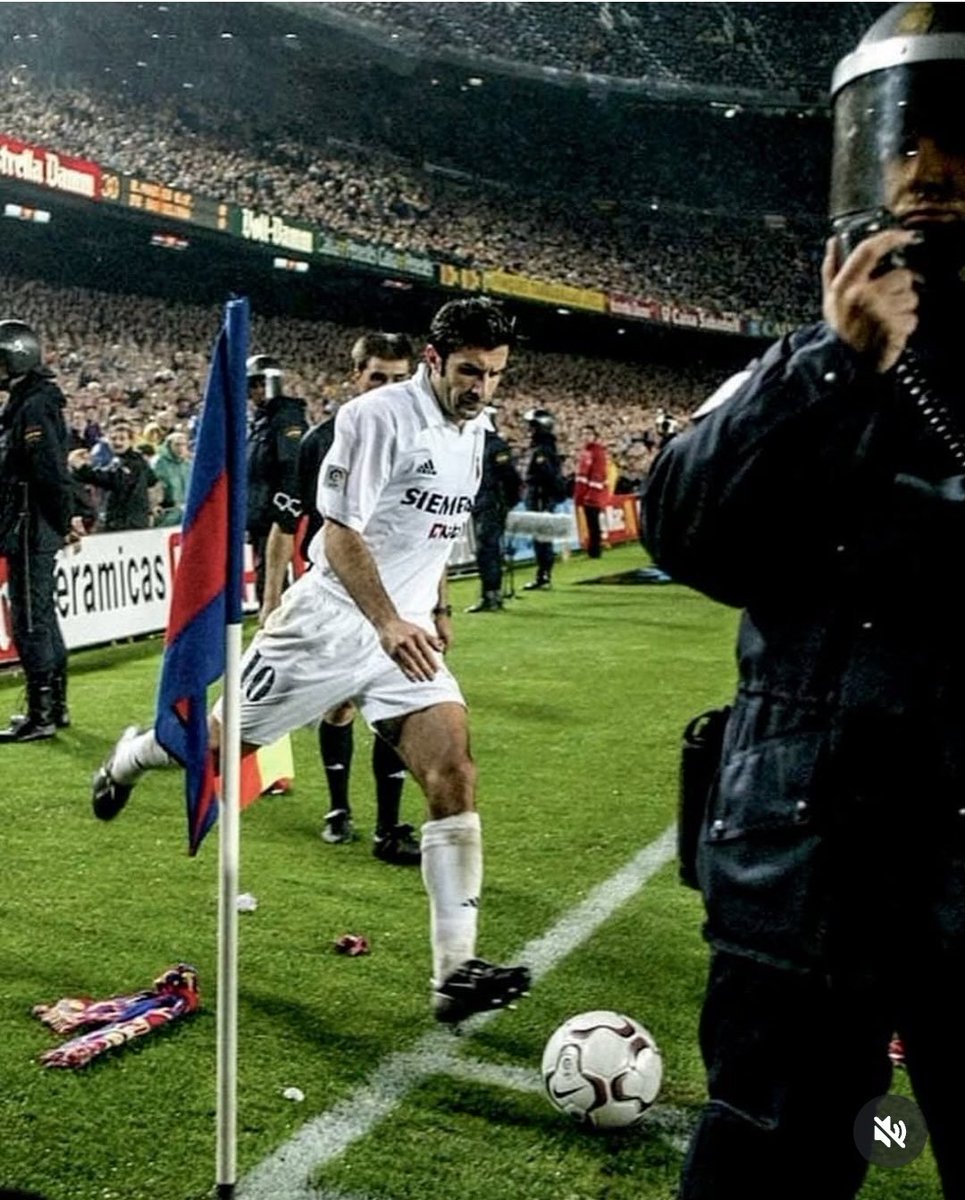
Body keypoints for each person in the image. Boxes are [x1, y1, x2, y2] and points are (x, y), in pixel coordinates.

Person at [641, 7, 965, 1198]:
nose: (919, 174)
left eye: (951, 143)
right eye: (899, 146)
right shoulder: (797, 366)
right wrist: (833, 369)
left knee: (912, 1135)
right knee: (776, 1157)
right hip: (807, 867)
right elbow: (680, 529)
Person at [91, 297, 531, 1024]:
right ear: (433, 361)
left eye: (493, 374)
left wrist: (430, 610)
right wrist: (385, 618)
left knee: (453, 771)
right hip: (330, 623)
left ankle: (454, 974)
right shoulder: (376, 418)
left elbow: (431, 533)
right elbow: (337, 535)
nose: (480, 387)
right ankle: (131, 757)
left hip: (405, 631)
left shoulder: (476, 426)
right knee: (216, 747)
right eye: (468, 372)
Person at [296, 331, 421, 864]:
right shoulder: (320, 441)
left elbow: (430, 532)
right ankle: (339, 808)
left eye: (400, 380)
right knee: (340, 705)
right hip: (339, 599)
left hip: (406, 599)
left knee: (401, 710)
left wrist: (438, 606)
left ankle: (389, 826)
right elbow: (296, 524)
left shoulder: (426, 436)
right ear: (357, 378)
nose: (389, 390)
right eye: (378, 379)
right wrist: (277, 592)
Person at [0, 319, 80, 743]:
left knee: (31, 622)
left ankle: (41, 714)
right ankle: (55, 708)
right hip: (33, 524)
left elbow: (49, 471)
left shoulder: (33, 407)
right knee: (43, 618)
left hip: (31, 527)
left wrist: (62, 519)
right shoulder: (29, 402)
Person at [245, 353, 308, 623]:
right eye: (252, 385)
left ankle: (278, 641)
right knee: (268, 583)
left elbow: (291, 468)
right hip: (260, 518)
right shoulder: (260, 422)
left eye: (261, 383)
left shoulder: (286, 418)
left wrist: (283, 516)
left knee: (274, 587)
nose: (257, 390)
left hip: (277, 520)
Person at [465, 407, 521, 612]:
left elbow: (511, 478)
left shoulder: (495, 446)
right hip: (480, 502)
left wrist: (507, 503)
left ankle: (492, 595)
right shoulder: (477, 444)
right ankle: (490, 594)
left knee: (488, 549)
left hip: (491, 503)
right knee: (485, 550)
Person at [70, 418, 157, 531]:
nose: (117, 442)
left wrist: (82, 468)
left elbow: (113, 479)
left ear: (130, 441)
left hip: (127, 523)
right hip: (126, 520)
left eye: (122, 439)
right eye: (113, 439)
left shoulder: (133, 462)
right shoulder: (123, 460)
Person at [521, 407, 565, 590]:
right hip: (540, 495)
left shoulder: (542, 449)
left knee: (542, 537)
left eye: (532, 426)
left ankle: (544, 575)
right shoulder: (544, 447)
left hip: (540, 496)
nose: (528, 430)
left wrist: (547, 494)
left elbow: (548, 475)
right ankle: (543, 574)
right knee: (541, 537)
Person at [573, 424, 609, 560]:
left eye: (588, 434)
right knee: (590, 523)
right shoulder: (585, 452)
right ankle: (593, 549)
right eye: (584, 434)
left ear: (594, 436)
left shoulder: (597, 452)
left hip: (593, 494)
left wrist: (592, 494)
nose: (586, 436)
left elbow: (597, 474)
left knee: (593, 524)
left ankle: (595, 552)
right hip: (585, 493)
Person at [152, 429, 192, 527]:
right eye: (177, 445)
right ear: (169, 445)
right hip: (167, 511)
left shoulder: (188, 463)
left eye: (183, 444)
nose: (181, 448)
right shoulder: (159, 462)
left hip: (185, 509)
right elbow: (155, 485)